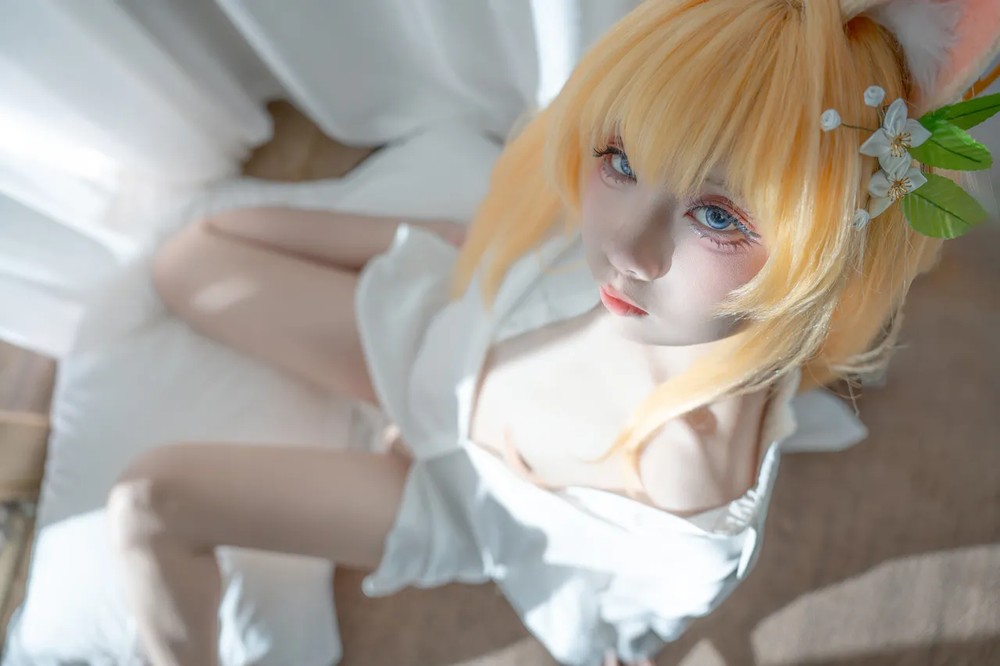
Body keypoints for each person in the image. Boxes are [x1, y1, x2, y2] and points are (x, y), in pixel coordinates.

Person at [105, 0, 1000, 664]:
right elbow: (540, 245)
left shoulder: (686, 463)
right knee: (189, 259)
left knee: (150, 500)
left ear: (829, 257)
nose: (626, 248)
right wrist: (444, 249)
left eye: (720, 217)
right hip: (458, 334)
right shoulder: (599, 255)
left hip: (460, 496)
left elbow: (635, 607)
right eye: (622, 158)